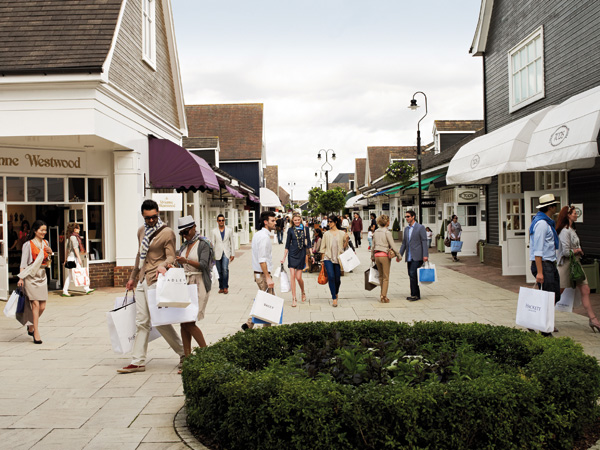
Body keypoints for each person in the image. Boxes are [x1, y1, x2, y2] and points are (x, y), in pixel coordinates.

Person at [118, 200, 184, 373]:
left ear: (158, 213)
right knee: (141, 321)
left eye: (154, 217)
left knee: (160, 320)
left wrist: (164, 265)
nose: (152, 220)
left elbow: (172, 256)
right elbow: (139, 254)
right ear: (143, 216)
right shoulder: (141, 231)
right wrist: (132, 277)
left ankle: (184, 353)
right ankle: (138, 361)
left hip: (155, 279)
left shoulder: (167, 232)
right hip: (141, 279)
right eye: (148, 218)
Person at [164, 216, 213, 373]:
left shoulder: (204, 243)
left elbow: (205, 265)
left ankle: (206, 354)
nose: (185, 235)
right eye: (182, 233)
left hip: (199, 284)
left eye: (186, 231)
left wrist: (186, 261)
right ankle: (187, 358)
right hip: (185, 284)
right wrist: (176, 264)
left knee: (189, 321)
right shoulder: (185, 245)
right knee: (183, 321)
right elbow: (182, 263)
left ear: (194, 227)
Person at [555, 205, 600, 332]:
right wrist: (577, 250)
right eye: (574, 213)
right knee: (558, 293)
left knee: (586, 289)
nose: (576, 215)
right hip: (566, 265)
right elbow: (564, 252)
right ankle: (545, 317)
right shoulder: (565, 231)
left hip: (576, 264)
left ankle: (593, 319)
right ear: (568, 215)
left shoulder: (572, 229)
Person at [529, 194, 561, 337]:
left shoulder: (547, 222)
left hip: (550, 263)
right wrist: (540, 272)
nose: (556, 208)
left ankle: (534, 321)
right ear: (550, 207)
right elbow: (538, 250)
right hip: (544, 264)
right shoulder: (542, 224)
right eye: (555, 205)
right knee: (548, 297)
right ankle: (544, 330)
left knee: (554, 296)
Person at [18, 220, 53, 344]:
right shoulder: (28, 244)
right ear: (35, 230)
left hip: (42, 276)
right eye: (41, 230)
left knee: (42, 306)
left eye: (45, 230)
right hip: (31, 276)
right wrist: (21, 278)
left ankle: (31, 325)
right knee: (35, 305)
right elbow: (23, 263)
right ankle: (36, 332)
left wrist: (50, 253)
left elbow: (48, 261)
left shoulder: (45, 243)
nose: (44, 232)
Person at [242, 211, 277, 330]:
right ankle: (263, 329)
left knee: (265, 300)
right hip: (262, 274)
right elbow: (262, 260)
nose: (275, 223)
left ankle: (250, 324)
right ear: (266, 222)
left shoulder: (259, 234)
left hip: (259, 273)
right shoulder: (263, 237)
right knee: (268, 302)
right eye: (273, 220)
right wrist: (268, 277)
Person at [319, 215, 348, 307]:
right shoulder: (326, 234)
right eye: (328, 221)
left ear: (335, 222)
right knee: (331, 277)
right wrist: (322, 260)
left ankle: (336, 292)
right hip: (328, 258)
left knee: (337, 279)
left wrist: (346, 240)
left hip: (338, 259)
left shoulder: (342, 233)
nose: (329, 223)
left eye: (331, 221)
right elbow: (322, 248)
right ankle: (334, 298)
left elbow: (344, 247)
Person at [281, 213, 310, 307]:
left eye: (298, 219)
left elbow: (308, 243)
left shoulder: (305, 229)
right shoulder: (290, 230)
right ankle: (294, 298)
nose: (297, 221)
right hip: (292, 254)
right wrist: (284, 257)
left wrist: (311, 255)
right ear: (292, 221)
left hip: (301, 254)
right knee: (292, 276)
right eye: (295, 220)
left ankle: (303, 291)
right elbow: (287, 245)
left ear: (301, 219)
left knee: (298, 277)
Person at [399, 210, 429, 301]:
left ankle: (415, 295)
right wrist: (399, 254)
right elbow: (404, 243)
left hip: (417, 255)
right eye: (406, 217)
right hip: (409, 256)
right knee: (411, 274)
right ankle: (415, 294)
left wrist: (425, 255)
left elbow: (424, 241)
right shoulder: (406, 229)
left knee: (413, 274)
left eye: (408, 216)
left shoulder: (420, 227)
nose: (407, 218)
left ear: (413, 217)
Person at [371, 215, 401, 303]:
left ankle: (382, 293)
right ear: (387, 222)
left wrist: (372, 256)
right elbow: (393, 246)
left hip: (377, 255)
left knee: (380, 276)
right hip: (384, 255)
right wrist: (399, 256)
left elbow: (373, 246)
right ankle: (383, 296)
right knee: (386, 277)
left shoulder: (376, 232)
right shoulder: (387, 232)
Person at [62, 223, 94, 296]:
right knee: (80, 272)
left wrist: (65, 259)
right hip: (74, 258)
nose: (79, 230)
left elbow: (67, 249)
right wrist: (79, 258)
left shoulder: (70, 237)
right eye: (78, 228)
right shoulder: (73, 237)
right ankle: (86, 289)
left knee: (70, 275)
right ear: (74, 229)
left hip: (71, 258)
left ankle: (65, 290)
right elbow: (75, 248)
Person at [211, 214, 235, 294]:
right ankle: (221, 287)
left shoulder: (229, 230)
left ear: (224, 221)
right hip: (217, 253)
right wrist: (212, 255)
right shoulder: (214, 231)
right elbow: (212, 243)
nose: (221, 222)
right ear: (217, 221)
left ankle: (225, 287)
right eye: (220, 220)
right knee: (219, 271)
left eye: (223, 220)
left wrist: (233, 253)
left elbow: (232, 242)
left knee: (225, 269)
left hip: (226, 252)